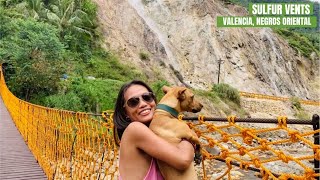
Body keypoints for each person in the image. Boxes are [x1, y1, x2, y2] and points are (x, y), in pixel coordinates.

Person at [113, 80, 196, 180]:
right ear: (125, 112)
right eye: (133, 102)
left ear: (154, 100)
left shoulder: (156, 135)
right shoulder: (135, 129)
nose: (143, 104)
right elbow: (183, 160)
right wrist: (190, 134)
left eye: (147, 97)